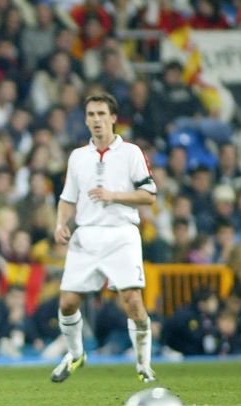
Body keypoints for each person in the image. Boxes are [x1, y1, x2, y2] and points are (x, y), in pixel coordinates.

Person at [51, 93, 157, 383]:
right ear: (85, 120)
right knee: (67, 303)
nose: (96, 120)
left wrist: (114, 196)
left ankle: (143, 366)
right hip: (86, 235)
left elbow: (149, 195)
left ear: (113, 118)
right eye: (91, 115)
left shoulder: (131, 153)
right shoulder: (77, 157)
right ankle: (75, 354)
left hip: (122, 233)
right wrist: (61, 223)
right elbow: (67, 198)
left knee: (132, 300)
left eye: (101, 114)